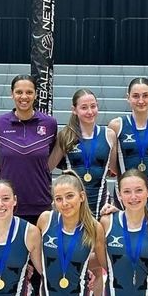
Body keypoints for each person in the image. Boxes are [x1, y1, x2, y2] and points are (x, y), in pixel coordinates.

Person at [0, 75, 57, 225]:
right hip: (7, 206)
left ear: (36, 94)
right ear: (12, 94)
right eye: (19, 92)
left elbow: (55, 159)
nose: (24, 97)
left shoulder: (50, 124)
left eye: (29, 92)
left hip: (40, 205)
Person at [49, 89, 118, 218]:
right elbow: (48, 167)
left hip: (101, 206)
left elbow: (117, 170)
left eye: (93, 106)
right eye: (84, 108)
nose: (90, 112)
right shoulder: (66, 136)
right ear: (74, 110)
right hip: (71, 206)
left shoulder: (109, 135)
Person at [108, 78, 148, 215]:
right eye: (135, 96)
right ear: (128, 98)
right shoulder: (116, 125)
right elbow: (112, 164)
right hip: (125, 189)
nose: (141, 101)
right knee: (125, 231)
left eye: (145, 96)